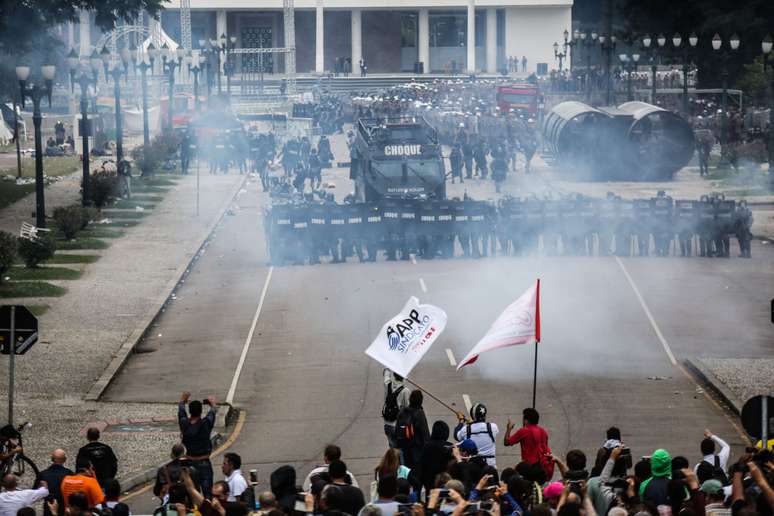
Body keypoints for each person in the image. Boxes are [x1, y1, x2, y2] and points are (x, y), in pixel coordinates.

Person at [178, 391, 218, 498]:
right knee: (208, 494)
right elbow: (213, 412)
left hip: (189, 462)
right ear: (200, 412)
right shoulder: (205, 424)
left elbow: (181, 412)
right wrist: (212, 403)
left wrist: (182, 400)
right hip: (204, 461)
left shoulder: (184, 423)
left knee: (192, 494)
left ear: (190, 412)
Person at [503, 408, 553, 479]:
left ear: (526, 420)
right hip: (542, 467)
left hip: (528, 468)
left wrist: (509, 428)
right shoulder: (543, 432)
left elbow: (506, 442)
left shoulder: (524, 431)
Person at [454, 403, 499, 468]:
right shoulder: (493, 427)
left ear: (472, 416)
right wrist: (473, 423)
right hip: (491, 466)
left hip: (474, 466)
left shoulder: (466, 429)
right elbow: (480, 427)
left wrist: (461, 421)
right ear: (484, 415)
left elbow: (456, 435)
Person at [395, 390, 430, 469]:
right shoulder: (419, 413)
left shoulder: (402, 412)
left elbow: (396, 431)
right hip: (416, 451)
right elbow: (425, 434)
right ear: (421, 401)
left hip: (404, 449)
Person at [417, 421, 453, 495]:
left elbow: (420, 466)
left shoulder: (426, 447)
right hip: (447, 483)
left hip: (429, 484)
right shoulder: (449, 447)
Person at [38, 449, 73, 516]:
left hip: (48, 507)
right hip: (64, 508)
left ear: (52, 459)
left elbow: (36, 492)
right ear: (65, 460)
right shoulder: (69, 474)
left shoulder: (43, 474)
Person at [382, 370, 411, 449]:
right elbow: (408, 409)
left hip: (387, 424)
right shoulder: (405, 391)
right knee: (400, 451)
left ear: (394, 375)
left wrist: (389, 366)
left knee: (392, 449)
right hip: (397, 426)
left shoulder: (387, 384)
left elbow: (386, 374)